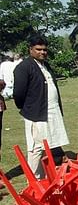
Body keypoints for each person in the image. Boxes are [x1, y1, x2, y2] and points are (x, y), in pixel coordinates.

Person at [12, 34, 70, 179]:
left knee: (50, 143)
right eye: (38, 49)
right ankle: (35, 179)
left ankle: (47, 175)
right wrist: (27, 108)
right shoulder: (24, 67)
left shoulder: (45, 65)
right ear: (30, 49)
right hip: (36, 114)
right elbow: (18, 94)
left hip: (51, 112)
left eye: (44, 49)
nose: (42, 52)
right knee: (36, 147)